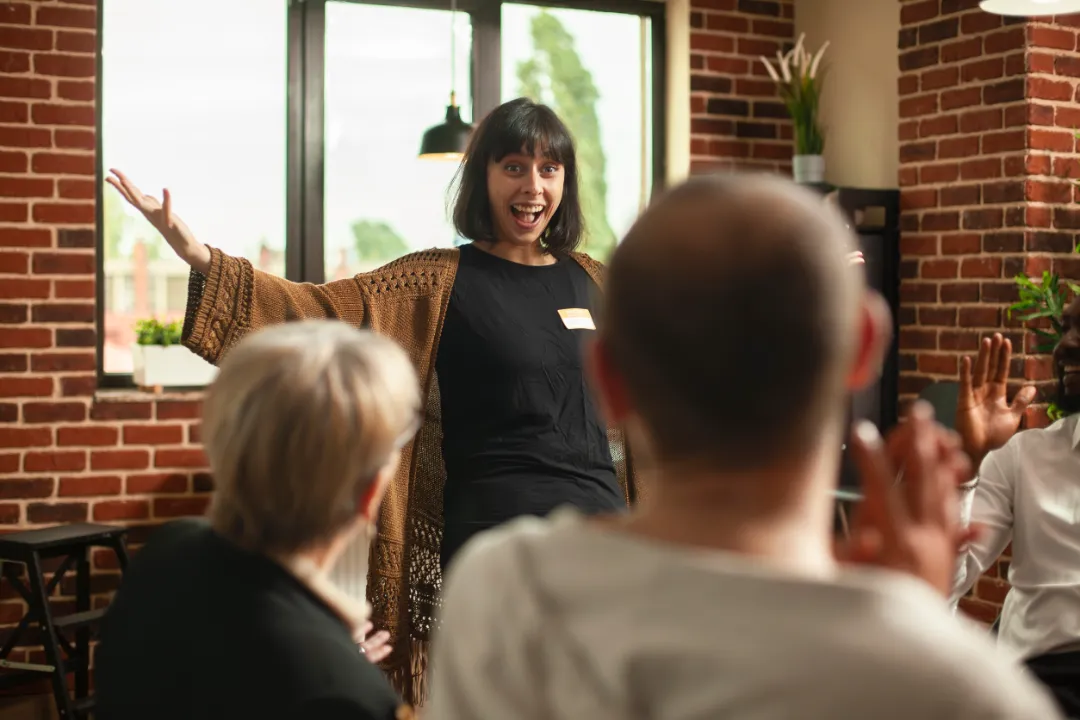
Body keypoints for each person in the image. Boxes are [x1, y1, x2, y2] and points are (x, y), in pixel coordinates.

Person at [425, 174, 1062, 720]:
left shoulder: (502, 593)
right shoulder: (964, 693)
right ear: (863, 347)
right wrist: (908, 630)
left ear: (608, 382)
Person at [105, 97, 641, 705]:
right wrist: (200, 257)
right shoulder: (434, 281)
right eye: (514, 166)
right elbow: (315, 312)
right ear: (483, 178)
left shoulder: (597, 281)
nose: (533, 186)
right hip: (495, 547)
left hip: (603, 541)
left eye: (549, 169)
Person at [95, 321, 421, 720]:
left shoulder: (165, 552)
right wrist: (333, 667)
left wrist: (328, 648)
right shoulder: (354, 700)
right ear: (370, 496)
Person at [952, 318, 1080, 717]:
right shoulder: (1025, 455)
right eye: (1068, 327)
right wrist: (967, 462)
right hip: (1034, 686)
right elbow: (936, 586)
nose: (1066, 344)